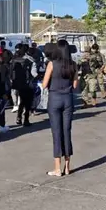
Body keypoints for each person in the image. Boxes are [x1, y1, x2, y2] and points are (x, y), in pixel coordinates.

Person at [42, 40, 79, 176]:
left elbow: (44, 84)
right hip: (68, 99)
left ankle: (57, 168)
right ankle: (67, 166)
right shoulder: (74, 65)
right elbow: (75, 86)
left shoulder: (52, 64)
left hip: (55, 98)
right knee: (67, 131)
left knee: (56, 133)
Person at [11, 44, 38, 126]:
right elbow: (34, 73)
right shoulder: (31, 60)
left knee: (22, 101)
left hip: (19, 84)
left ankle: (18, 118)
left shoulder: (16, 59)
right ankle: (26, 120)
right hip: (28, 84)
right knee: (28, 103)